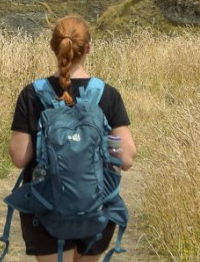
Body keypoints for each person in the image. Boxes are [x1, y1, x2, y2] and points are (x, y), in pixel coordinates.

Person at [7, 15, 136, 262]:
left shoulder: (32, 94)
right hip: (95, 208)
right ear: (88, 48)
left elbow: (19, 157)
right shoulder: (107, 95)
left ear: (52, 47)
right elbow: (127, 158)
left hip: (46, 210)